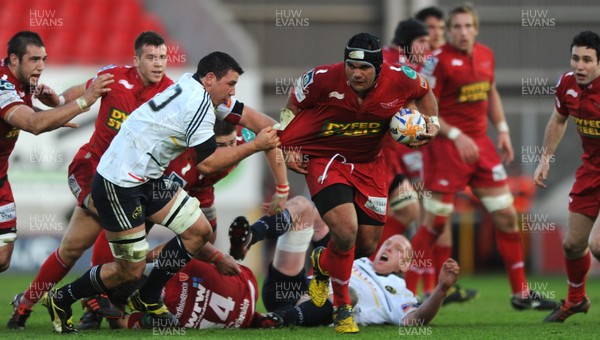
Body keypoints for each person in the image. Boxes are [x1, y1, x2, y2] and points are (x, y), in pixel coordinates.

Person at [41, 51, 280, 334]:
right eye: (230, 84)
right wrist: (255, 146)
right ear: (211, 79)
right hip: (121, 183)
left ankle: (148, 295)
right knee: (128, 270)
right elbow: (208, 162)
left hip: (147, 177)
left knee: (199, 231)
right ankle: (61, 298)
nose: (233, 90)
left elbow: (250, 116)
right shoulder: (198, 106)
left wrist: (286, 133)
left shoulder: (191, 85)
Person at [8, 31, 175, 330]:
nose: (158, 64)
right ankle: (93, 299)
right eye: (151, 57)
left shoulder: (171, 95)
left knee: (71, 249)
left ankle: (25, 305)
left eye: (162, 57)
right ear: (136, 60)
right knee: (114, 217)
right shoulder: (112, 77)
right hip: (90, 169)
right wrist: (59, 101)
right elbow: (80, 90)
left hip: (127, 182)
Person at [278, 32, 439, 333]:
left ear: (379, 67)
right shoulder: (323, 77)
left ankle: (323, 261)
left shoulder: (402, 78)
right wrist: (289, 145)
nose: (356, 73)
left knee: (364, 245)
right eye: (351, 66)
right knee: (346, 230)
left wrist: (434, 124)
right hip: (327, 158)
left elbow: (426, 92)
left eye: (364, 68)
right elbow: (294, 103)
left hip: (370, 165)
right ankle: (342, 310)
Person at [411, 4, 556, 310]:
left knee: (505, 216)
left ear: (476, 29)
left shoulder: (487, 55)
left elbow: (490, 92)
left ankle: (521, 294)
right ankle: (405, 295)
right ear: (449, 31)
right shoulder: (436, 62)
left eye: (468, 26)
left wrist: (502, 130)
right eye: (457, 27)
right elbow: (421, 106)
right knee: (435, 223)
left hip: (480, 147)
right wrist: (455, 135)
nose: (463, 32)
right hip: (445, 148)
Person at [0, 31, 113, 274]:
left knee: (2, 259)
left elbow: (35, 113)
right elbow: (32, 124)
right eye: (34, 60)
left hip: (1, 180)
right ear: (14, 59)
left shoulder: (24, 82)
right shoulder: (1, 85)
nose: (40, 67)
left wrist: (51, 112)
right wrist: (85, 101)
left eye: (44, 59)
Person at [534, 31, 600, 322]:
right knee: (573, 244)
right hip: (591, 171)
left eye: (587, 59)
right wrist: (544, 160)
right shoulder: (567, 84)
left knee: (598, 246)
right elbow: (558, 120)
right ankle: (576, 300)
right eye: (576, 58)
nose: (580, 65)